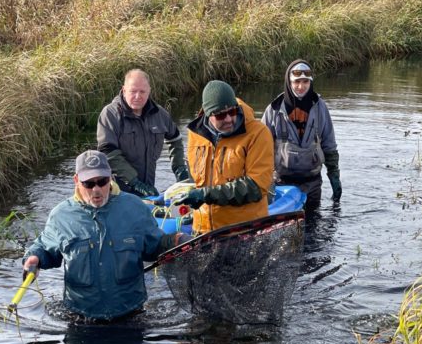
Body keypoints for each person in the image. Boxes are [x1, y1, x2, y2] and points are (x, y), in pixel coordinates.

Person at [22, 150, 188, 321]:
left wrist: (177, 239)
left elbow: (156, 245)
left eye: (102, 182)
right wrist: (34, 258)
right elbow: (44, 247)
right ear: (76, 181)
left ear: (111, 178)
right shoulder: (61, 216)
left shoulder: (135, 208)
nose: (96, 190)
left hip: (130, 316)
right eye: (89, 184)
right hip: (81, 320)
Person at [176, 80, 274, 234]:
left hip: (245, 231)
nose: (228, 119)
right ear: (208, 114)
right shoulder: (195, 134)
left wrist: (205, 195)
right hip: (202, 231)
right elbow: (195, 180)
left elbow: (256, 187)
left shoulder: (258, 133)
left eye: (233, 111)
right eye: (221, 115)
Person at [261, 59, 341, 209]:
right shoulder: (273, 110)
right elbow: (260, 149)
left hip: (312, 182)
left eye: (305, 82)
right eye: (296, 81)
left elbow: (329, 145)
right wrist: (265, 182)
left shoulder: (320, 107)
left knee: (313, 223)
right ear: (288, 82)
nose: (301, 86)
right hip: (281, 183)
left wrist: (334, 177)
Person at [97, 69, 189, 197]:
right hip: (117, 194)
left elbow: (175, 139)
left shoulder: (160, 114)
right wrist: (134, 182)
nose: (137, 96)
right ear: (124, 90)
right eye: (133, 91)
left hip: (149, 190)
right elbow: (108, 152)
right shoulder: (110, 115)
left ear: (149, 91)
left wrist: (179, 169)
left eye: (142, 92)